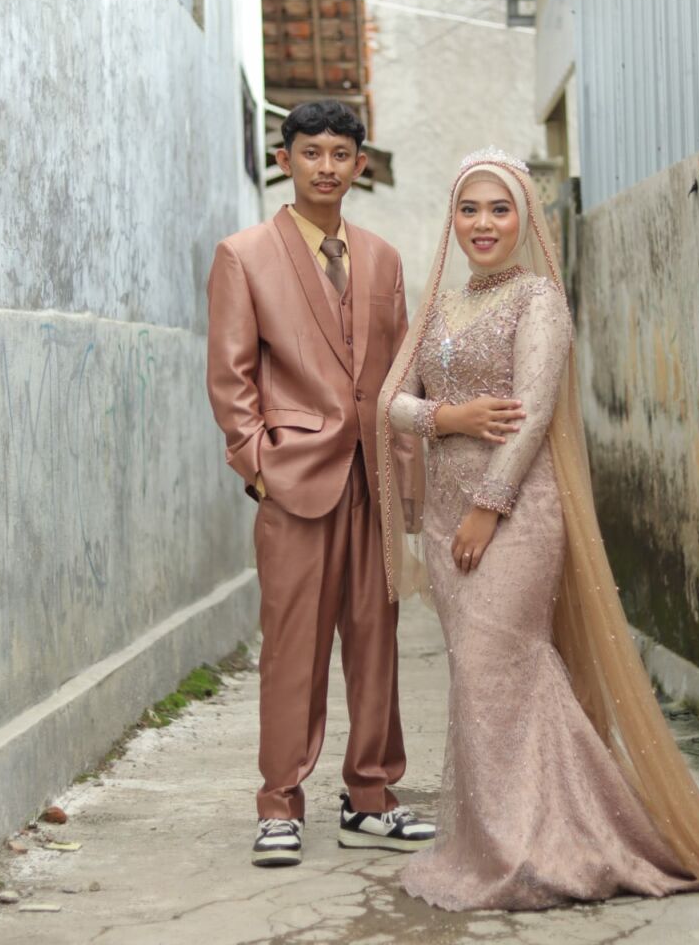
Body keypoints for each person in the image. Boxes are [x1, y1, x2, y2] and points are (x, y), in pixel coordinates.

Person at [377, 148, 699, 912]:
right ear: (452, 219)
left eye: (500, 209)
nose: (483, 223)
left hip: (513, 514)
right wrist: (449, 417)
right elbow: (389, 401)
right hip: (445, 520)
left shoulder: (540, 301)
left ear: (525, 218)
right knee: (479, 678)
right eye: (469, 209)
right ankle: (509, 839)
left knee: (500, 666)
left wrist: (488, 505)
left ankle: (532, 848)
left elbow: (529, 417)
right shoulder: (439, 305)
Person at [205, 100, 440, 867]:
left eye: (341, 154)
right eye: (312, 153)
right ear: (285, 161)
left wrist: (406, 487)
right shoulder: (244, 256)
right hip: (294, 483)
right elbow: (231, 378)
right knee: (293, 651)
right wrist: (259, 468)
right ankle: (279, 805)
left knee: (376, 646)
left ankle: (370, 798)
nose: (327, 167)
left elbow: (397, 375)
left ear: (360, 166)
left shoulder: (383, 259)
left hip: (374, 481)